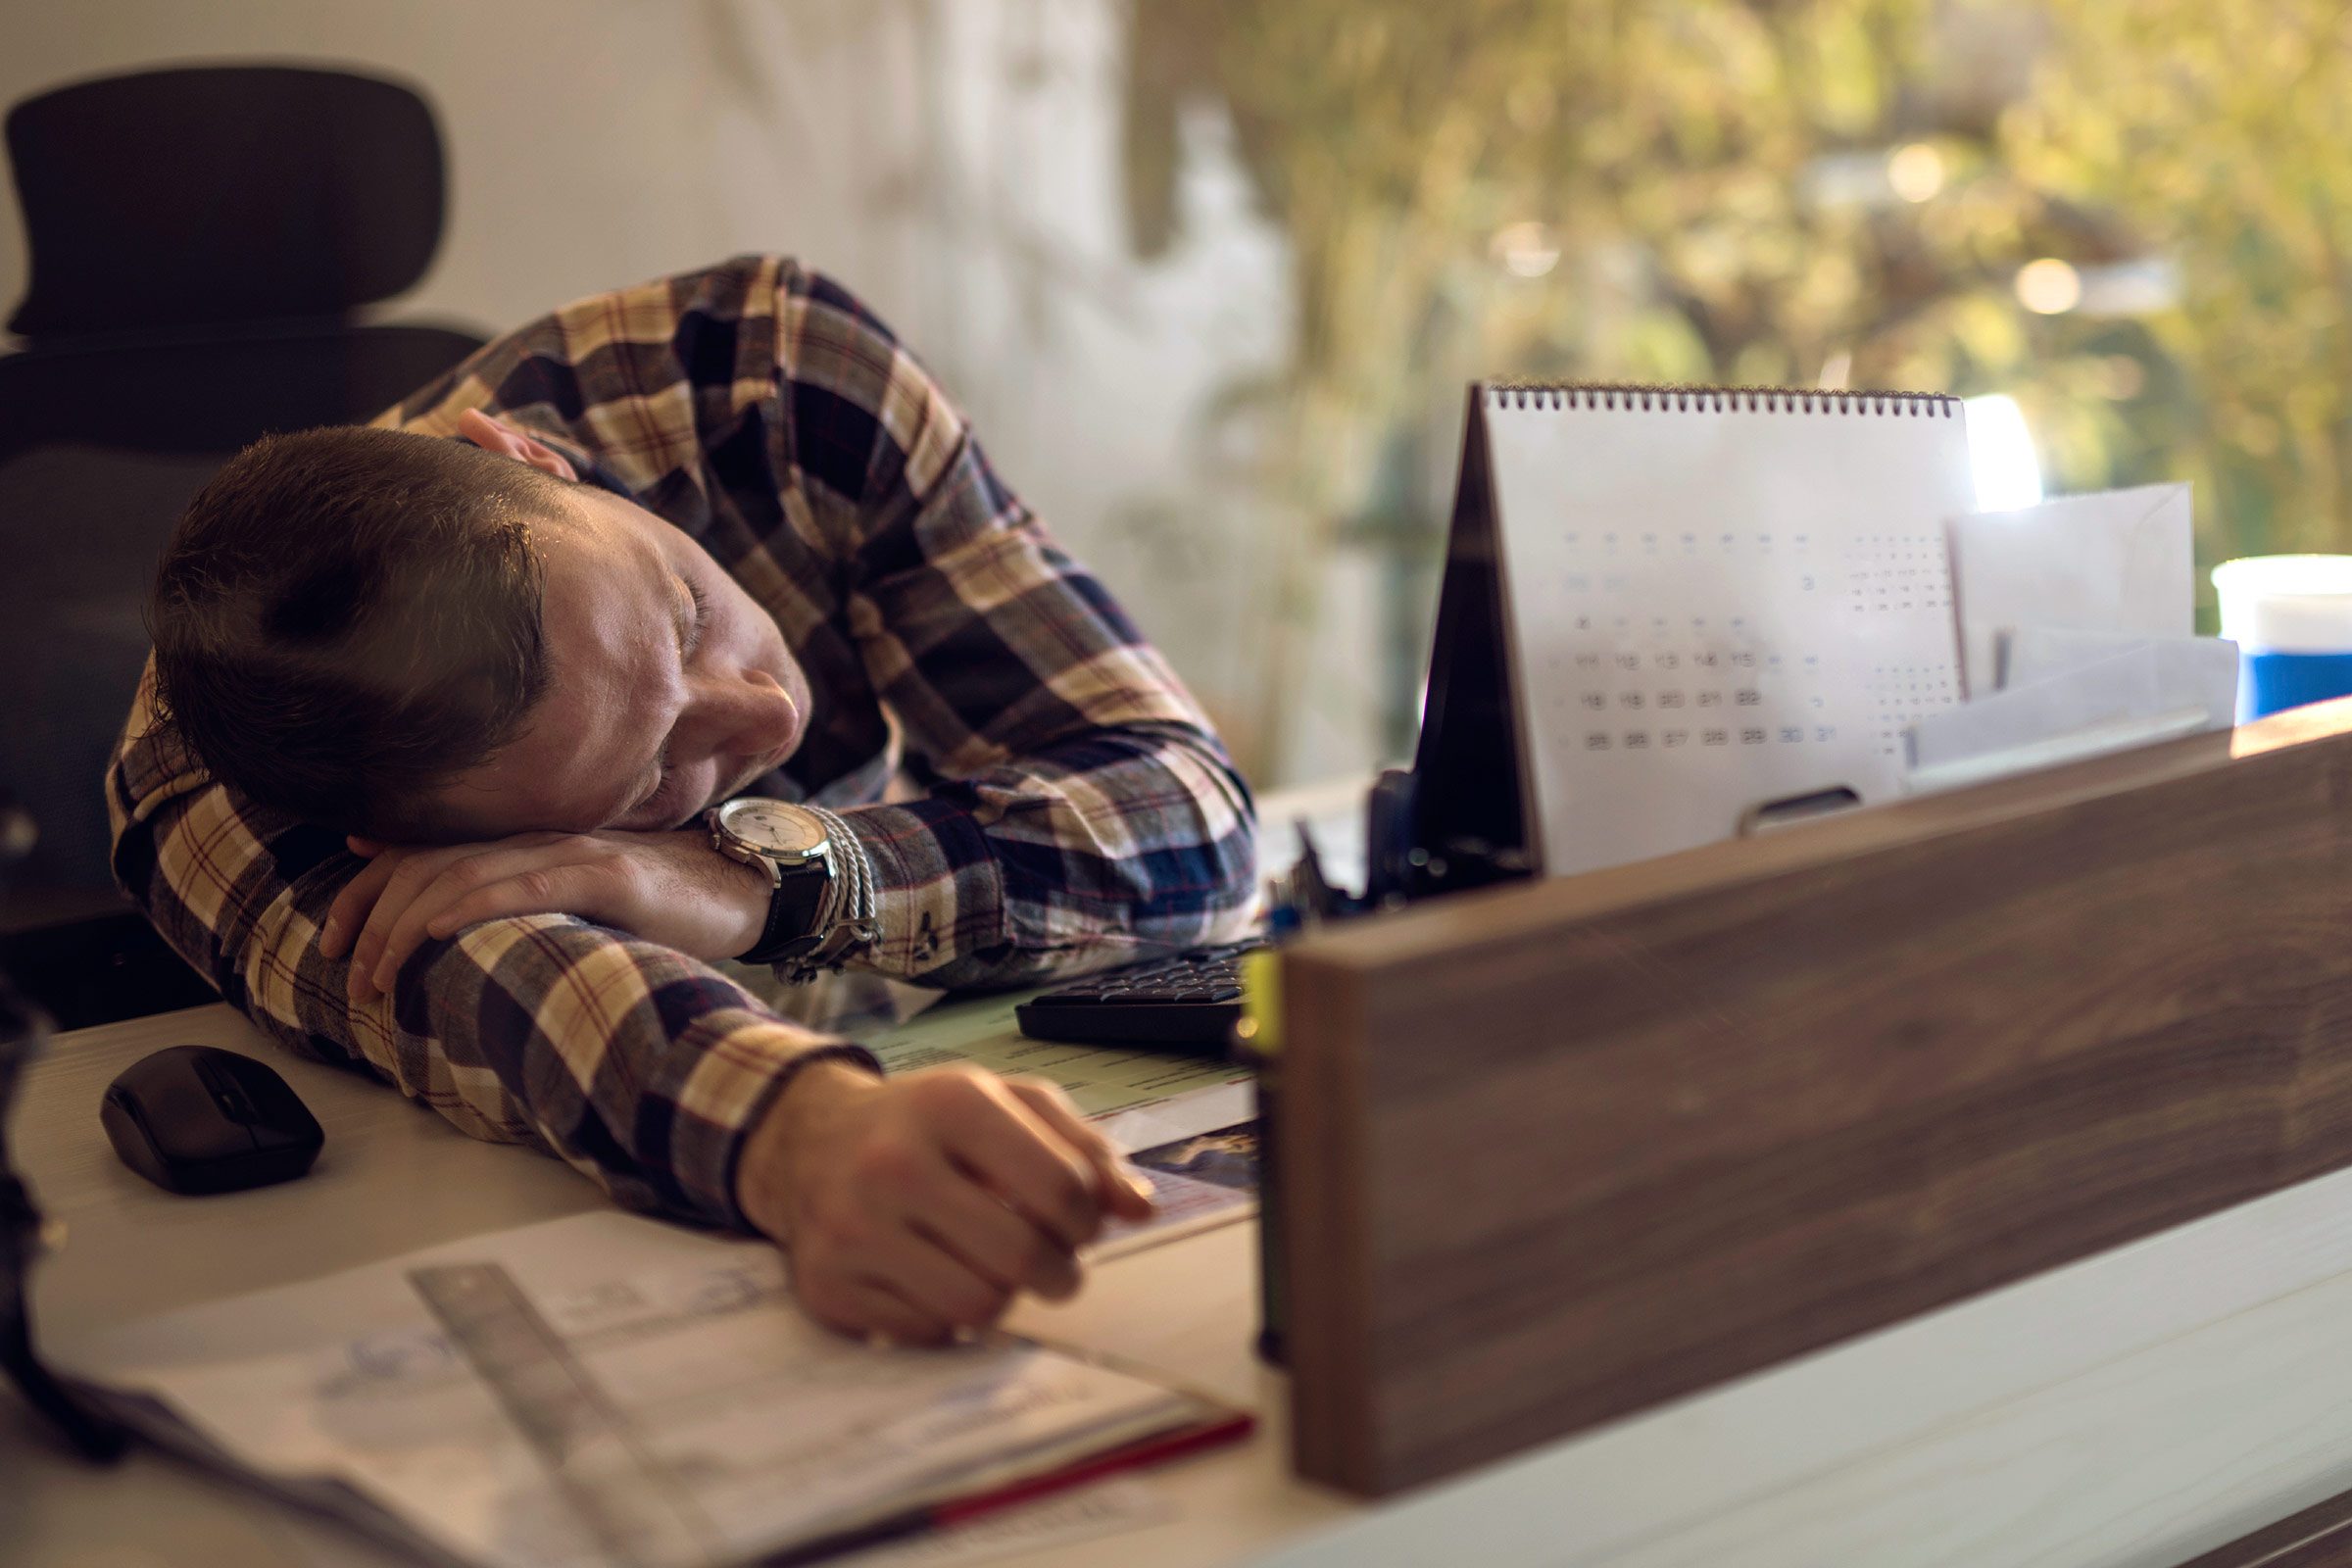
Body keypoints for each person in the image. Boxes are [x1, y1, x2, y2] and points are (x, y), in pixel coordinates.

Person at [106, 256, 1257, 1342]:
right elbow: (483, 974)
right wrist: (807, 1136)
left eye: (691, 613)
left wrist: (771, 874)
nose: (768, 715)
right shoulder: (210, 787)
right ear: (398, 836)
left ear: (527, 458)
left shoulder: (772, 374)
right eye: (655, 775)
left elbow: (1189, 816)